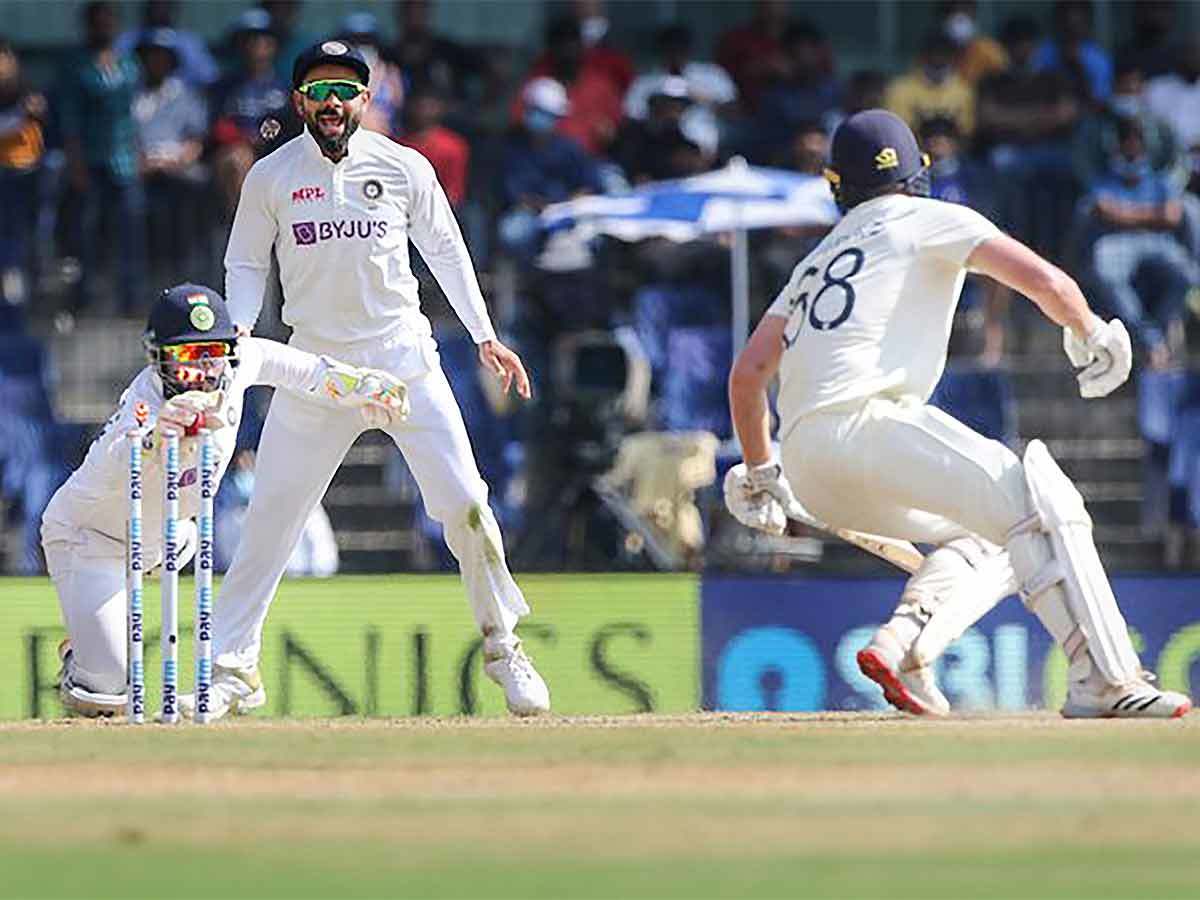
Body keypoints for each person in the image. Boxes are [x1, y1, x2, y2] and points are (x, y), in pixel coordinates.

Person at [724, 109, 1192, 720]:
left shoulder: (814, 261)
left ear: (837, 184)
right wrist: (1092, 329)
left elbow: (748, 375)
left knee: (984, 537)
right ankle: (1101, 677)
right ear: (918, 174)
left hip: (808, 462)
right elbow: (1044, 280)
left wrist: (763, 472)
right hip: (872, 424)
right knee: (1041, 504)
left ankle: (905, 650)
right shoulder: (932, 216)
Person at [211, 41, 550, 719]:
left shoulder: (403, 167)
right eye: (319, 89)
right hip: (315, 367)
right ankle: (232, 669)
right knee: (271, 519)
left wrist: (485, 335)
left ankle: (505, 646)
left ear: (367, 101)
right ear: (299, 100)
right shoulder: (272, 176)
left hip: (401, 357)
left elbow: (447, 250)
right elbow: (246, 264)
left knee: (466, 505)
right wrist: (241, 329)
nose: (333, 101)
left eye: (346, 89)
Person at [43, 284, 406, 717]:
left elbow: (307, 372)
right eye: (185, 358)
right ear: (157, 357)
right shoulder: (142, 404)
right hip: (91, 540)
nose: (202, 370)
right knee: (104, 696)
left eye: (211, 353)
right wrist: (158, 435)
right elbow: (114, 460)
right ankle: (82, 654)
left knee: (181, 532)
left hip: (170, 536)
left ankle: (102, 625)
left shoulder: (242, 362)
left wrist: (365, 385)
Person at [57, 1, 146, 314]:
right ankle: (82, 297)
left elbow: (134, 114)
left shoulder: (127, 63)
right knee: (86, 230)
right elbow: (69, 119)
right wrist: (76, 162)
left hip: (124, 160)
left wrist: (140, 154)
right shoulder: (76, 64)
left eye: (109, 21)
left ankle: (130, 298)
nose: (104, 27)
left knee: (130, 230)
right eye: (98, 22)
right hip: (90, 160)